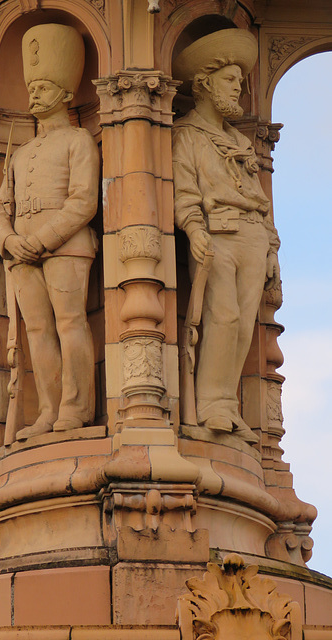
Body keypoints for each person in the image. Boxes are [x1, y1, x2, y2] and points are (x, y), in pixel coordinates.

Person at [0, 24, 99, 440]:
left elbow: (84, 201)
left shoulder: (79, 140)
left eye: (45, 86)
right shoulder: (22, 150)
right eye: (32, 87)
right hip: (21, 250)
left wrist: (41, 239)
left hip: (65, 245)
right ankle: (48, 412)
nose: (34, 94)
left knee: (71, 323)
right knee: (37, 330)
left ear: (67, 95)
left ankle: (75, 409)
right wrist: (8, 239)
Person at [172, 29, 280, 443]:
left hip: (251, 236)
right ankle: (211, 405)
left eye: (239, 80)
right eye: (230, 80)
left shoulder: (239, 142)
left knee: (243, 325)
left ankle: (228, 408)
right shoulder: (187, 134)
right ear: (205, 83)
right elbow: (184, 192)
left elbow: (260, 199)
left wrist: (271, 248)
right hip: (217, 234)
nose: (239, 86)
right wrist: (194, 228)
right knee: (222, 316)